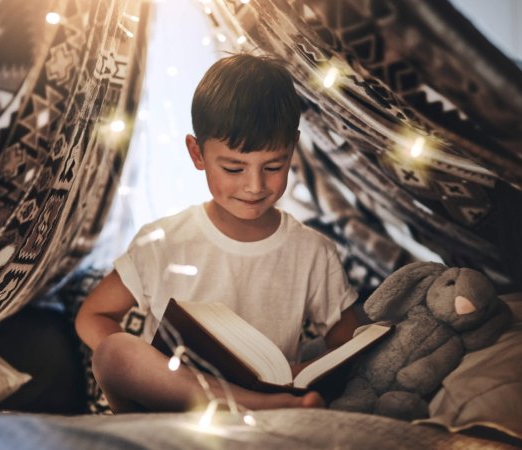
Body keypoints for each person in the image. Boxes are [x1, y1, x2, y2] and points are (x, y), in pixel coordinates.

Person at [75, 53, 360, 413]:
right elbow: (92, 315)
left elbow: (348, 342)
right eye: (233, 167)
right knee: (115, 352)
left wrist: (305, 370)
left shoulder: (312, 251)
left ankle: (258, 405)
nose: (254, 185)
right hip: (174, 409)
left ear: (293, 148)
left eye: (274, 166)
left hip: (274, 407)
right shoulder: (162, 241)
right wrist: (151, 368)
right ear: (197, 153)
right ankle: (256, 404)